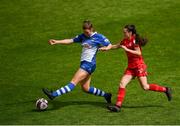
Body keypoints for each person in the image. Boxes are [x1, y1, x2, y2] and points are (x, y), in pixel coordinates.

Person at [99, 24, 172, 112]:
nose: (123, 33)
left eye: (125, 32)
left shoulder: (134, 41)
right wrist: (107, 48)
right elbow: (116, 46)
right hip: (131, 67)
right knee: (122, 84)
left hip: (139, 66)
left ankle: (166, 89)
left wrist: (127, 49)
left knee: (145, 87)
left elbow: (138, 53)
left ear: (130, 33)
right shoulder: (125, 40)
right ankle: (118, 106)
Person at [42, 20, 112, 104]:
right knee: (85, 88)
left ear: (91, 29)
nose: (86, 34)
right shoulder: (83, 36)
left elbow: (110, 45)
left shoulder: (99, 37)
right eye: (85, 32)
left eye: (87, 32)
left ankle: (53, 94)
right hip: (85, 64)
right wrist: (57, 41)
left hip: (89, 64)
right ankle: (106, 95)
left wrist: (106, 48)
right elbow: (71, 40)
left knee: (73, 83)